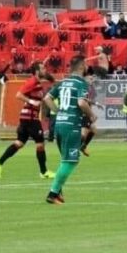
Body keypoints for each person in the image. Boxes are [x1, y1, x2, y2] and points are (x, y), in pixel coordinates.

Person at [43, 56, 96, 204]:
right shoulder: (81, 83)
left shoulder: (62, 82)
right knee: (70, 161)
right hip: (71, 126)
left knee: (65, 159)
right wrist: (91, 115)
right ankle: (52, 194)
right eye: (85, 65)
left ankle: (58, 193)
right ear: (81, 67)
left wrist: (59, 111)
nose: (87, 67)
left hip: (59, 124)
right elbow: (81, 102)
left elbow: (47, 98)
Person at [0, 62, 55, 179]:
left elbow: (49, 79)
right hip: (30, 118)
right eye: (42, 68)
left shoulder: (38, 83)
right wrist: (31, 102)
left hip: (26, 118)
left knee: (19, 143)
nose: (45, 70)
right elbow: (18, 94)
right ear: (37, 71)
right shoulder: (32, 81)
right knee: (40, 144)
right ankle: (43, 172)